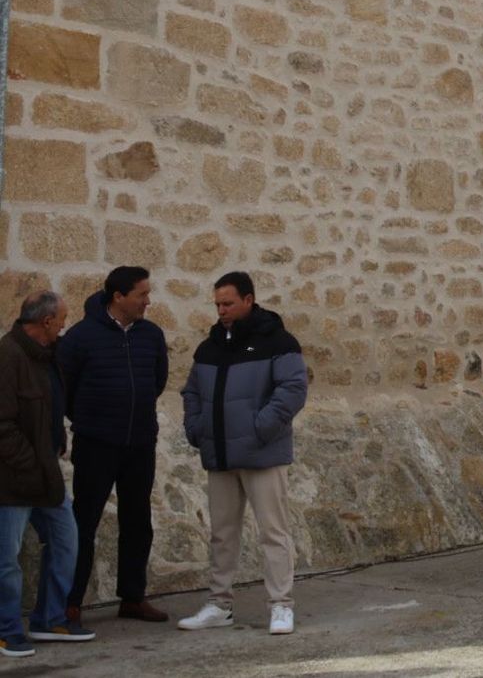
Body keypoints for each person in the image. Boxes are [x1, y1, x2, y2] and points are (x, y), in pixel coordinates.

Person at [178, 272, 307, 636]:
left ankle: (281, 605)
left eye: (228, 303)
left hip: (262, 454)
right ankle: (219, 604)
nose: (221, 310)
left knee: (274, 532)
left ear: (249, 300)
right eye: (217, 304)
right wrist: (197, 429)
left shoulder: (279, 342)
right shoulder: (210, 346)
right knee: (222, 534)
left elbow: (294, 389)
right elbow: (191, 392)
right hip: (219, 455)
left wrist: (258, 429)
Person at [57, 266, 169, 624]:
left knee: (138, 520)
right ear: (118, 297)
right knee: (84, 521)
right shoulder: (80, 337)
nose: (148, 301)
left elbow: (157, 381)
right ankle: (70, 601)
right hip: (95, 443)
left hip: (139, 442)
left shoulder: (151, 335)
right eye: (142, 294)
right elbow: (64, 389)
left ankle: (133, 597)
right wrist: (92, 421)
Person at [0, 292, 94, 657]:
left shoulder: (47, 356)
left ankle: (49, 618)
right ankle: (8, 630)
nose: (64, 325)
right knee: (6, 558)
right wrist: (31, 460)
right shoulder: (8, 356)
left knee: (66, 540)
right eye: (62, 318)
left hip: (45, 475)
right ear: (44, 322)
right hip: (12, 478)